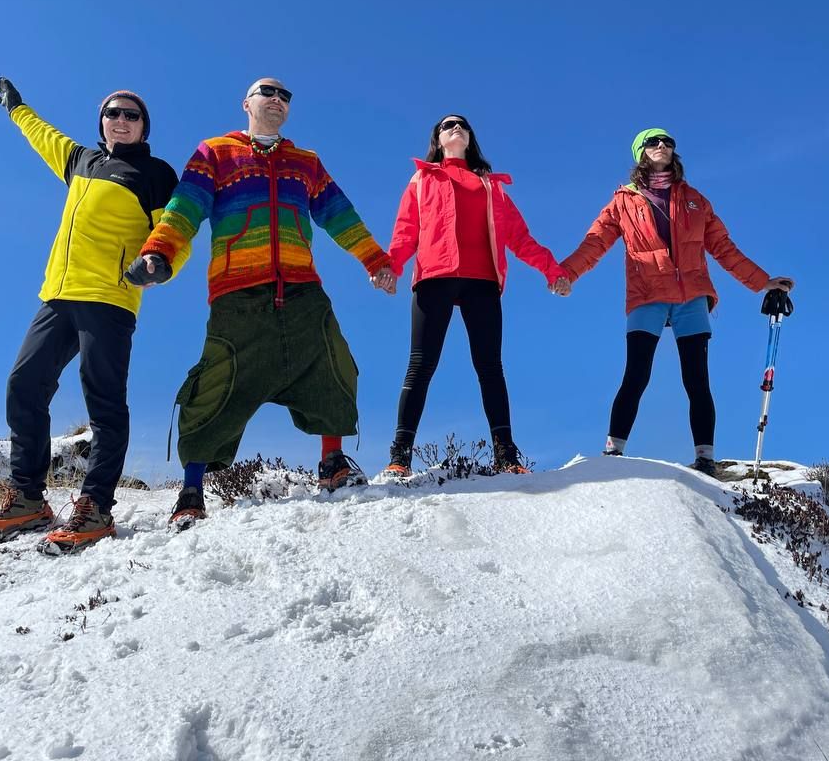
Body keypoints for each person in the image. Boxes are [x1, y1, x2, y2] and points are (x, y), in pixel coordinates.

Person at [126, 78, 394, 529]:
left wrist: (375, 259)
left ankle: (332, 463)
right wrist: (158, 252)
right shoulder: (215, 152)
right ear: (246, 104)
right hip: (237, 295)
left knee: (332, 364)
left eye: (285, 96)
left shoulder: (306, 162)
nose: (277, 100)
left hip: (303, 291)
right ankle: (191, 491)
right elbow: (185, 208)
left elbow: (339, 214)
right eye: (267, 92)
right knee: (215, 383)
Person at [0, 78, 178, 553]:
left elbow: (173, 228)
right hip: (58, 296)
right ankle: (27, 497)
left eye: (131, 115)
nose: (121, 120)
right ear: (101, 121)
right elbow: (45, 136)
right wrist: (17, 109)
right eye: (112, 113)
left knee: (103, 400)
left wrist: (160, 263)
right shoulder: (81, 160)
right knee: (24, 384)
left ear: (144, 127)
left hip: (110, 297)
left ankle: (95, 507)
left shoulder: (154, 173)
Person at [556, 128, 793, 476]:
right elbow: (595, 243)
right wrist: (565, 273)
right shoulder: (623, 202)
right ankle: (612, 453)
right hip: (647, 293)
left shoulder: (694, 200)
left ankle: (705, 458)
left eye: (667, 142)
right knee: (636, 374)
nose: (662, 145)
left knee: (697, 379)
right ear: (640, 152)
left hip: (691, 296)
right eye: (653, 142)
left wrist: (762, 281)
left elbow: (723, 248)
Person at [382, 114, 567, 477]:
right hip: (435, 277)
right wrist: (392, 267)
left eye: (462, 125)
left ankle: (506, 456)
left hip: (482, 281)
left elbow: (520, 237)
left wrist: (552, 270)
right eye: (447, 125)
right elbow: (406, 232)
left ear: (469, 138)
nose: (456, 127)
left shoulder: (490, 186)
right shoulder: (422, 179)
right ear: (437, 139)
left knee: (490, 367)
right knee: (420, 365)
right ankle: (400, 456)